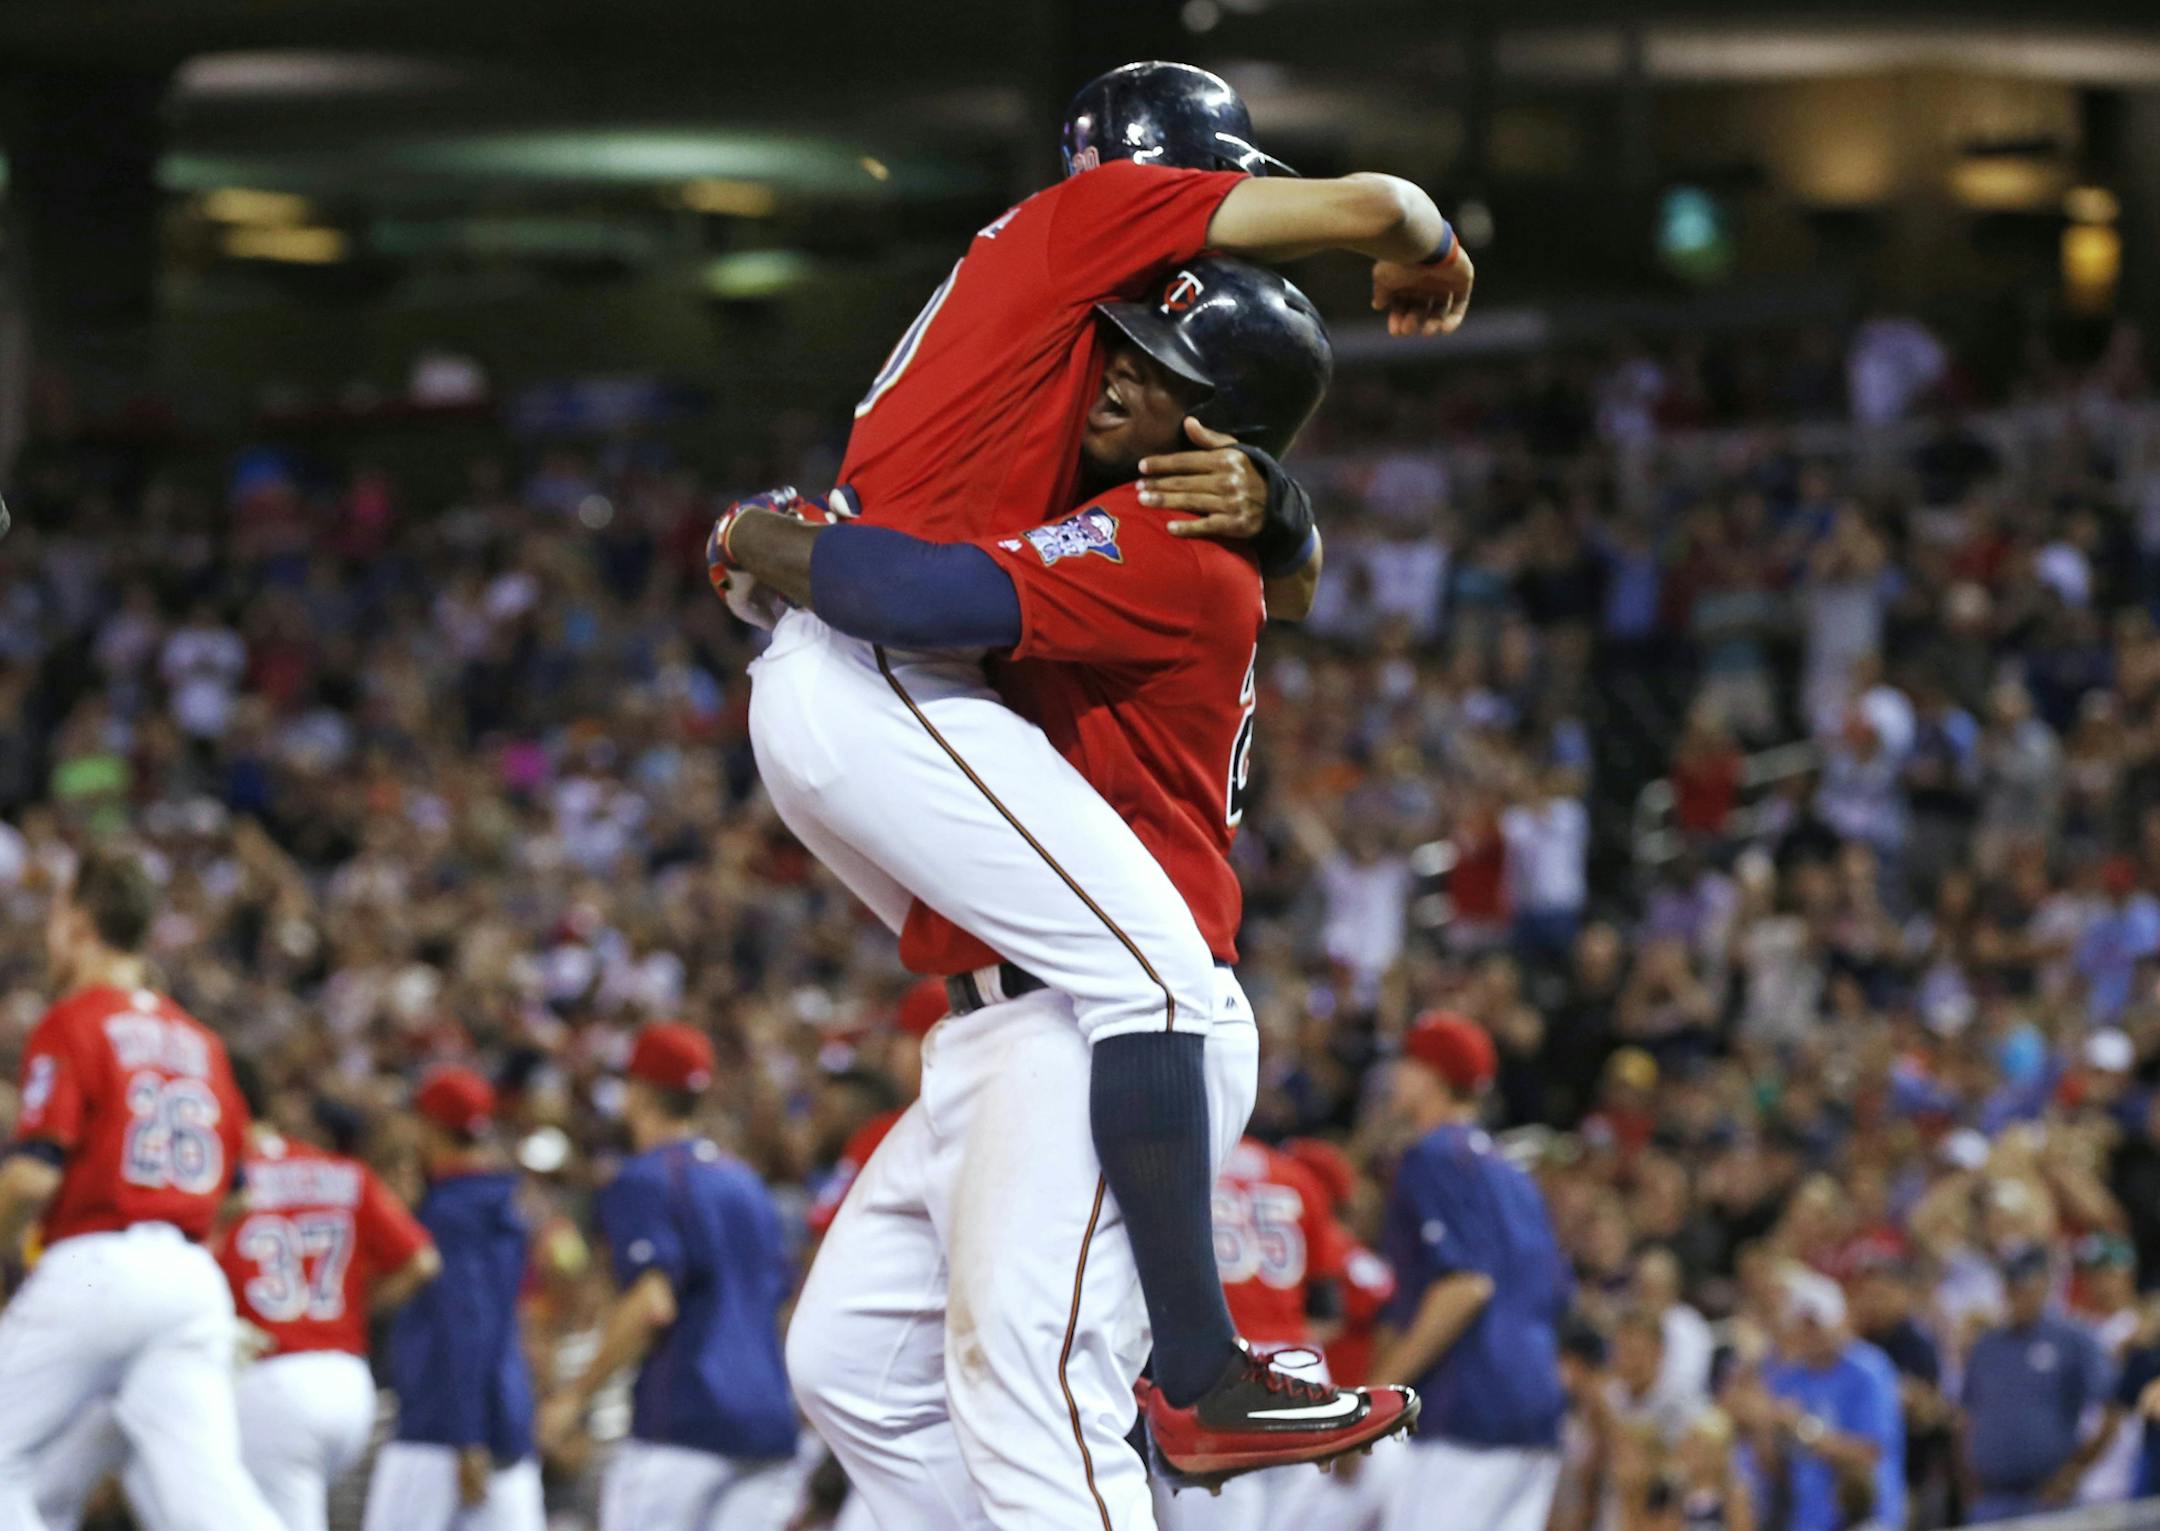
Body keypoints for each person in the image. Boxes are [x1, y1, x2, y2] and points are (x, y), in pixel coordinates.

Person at [728, 55, 1471, 1498]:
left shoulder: (1157, 525)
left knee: (1024, 1362)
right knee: (866, 1366)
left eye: (1161, 357)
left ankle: (1199, 1370)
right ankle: (1197, 1373)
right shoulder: (1126, 452)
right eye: (1124, 341)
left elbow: (939, 598)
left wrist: (770, 542)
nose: (1119, 365)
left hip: (1092, 996)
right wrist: (1285, 508)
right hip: (1012, 987)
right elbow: (1268, 581)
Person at [0, 845, 282, 1531]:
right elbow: (239, 1191)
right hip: (188, 1277)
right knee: (210, 1501)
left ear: (81, 920)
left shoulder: (73, 1019)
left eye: (58, 911)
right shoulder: (202, 1041)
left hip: (98, 1263)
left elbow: (34, 1172)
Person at [35, 1059, 442, 1531]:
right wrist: (357, 1307)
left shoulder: (218, 1182)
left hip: (269, 1380)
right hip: (348, 1380)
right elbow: (423, 1261)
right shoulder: (341, 1171)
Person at [536, 1021, 801, 1530]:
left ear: (639, 1093)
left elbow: (651, 1304)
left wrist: (573, 1398)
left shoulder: (645, 1177)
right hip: (768, 1426)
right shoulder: (747, 1183)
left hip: (684, 1422)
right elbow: (782, 1303)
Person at [1369, 1012, 1571, 1531]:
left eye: (1407, 1063)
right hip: (1534, 1409)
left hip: (1468, 1410)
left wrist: (1374, 1395)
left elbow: (1464, 1287)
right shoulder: (1511, 1175)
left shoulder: (1433, 1158)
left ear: (1433, 1077)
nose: (1395, 1076)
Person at [363, 1066, 542, 1531]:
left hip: (442, 1428)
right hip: (506, 1419)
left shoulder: (450, 1212)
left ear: (431, 1127)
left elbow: (467, 1322)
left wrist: (466, 1436)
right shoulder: (502, 1201)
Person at [1152, 1135, 1347, 1531]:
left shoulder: (1173, 1163)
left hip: (1213, 1367)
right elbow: (1328, 1311)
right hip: (1301, 1375)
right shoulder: (1293, 1175)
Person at [1733, 1269, 1904, 1531]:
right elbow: (1774, 1468)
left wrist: (1802, 1429)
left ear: (1839, 1320)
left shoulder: (1868, 1370)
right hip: (1808, 1519)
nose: (1811, 1333)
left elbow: (1871, 1451)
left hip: (1867, 1515)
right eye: (1803, 1325)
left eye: (1817, 1323)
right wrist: (1764, 1429)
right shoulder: (1788, 1379)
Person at [1960, 1243, 2112, 1522]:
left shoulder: (2073, 1339)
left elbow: (2112, 1409)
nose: (2015, 1291)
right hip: (1991, 1499)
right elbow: (1967, 1415)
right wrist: (1970, 1485)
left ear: (2045, 1283)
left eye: (2023, 1282)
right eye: (2010, 1282)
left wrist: (2073, 1472)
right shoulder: (1987, 1345)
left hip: (2049, 1500)